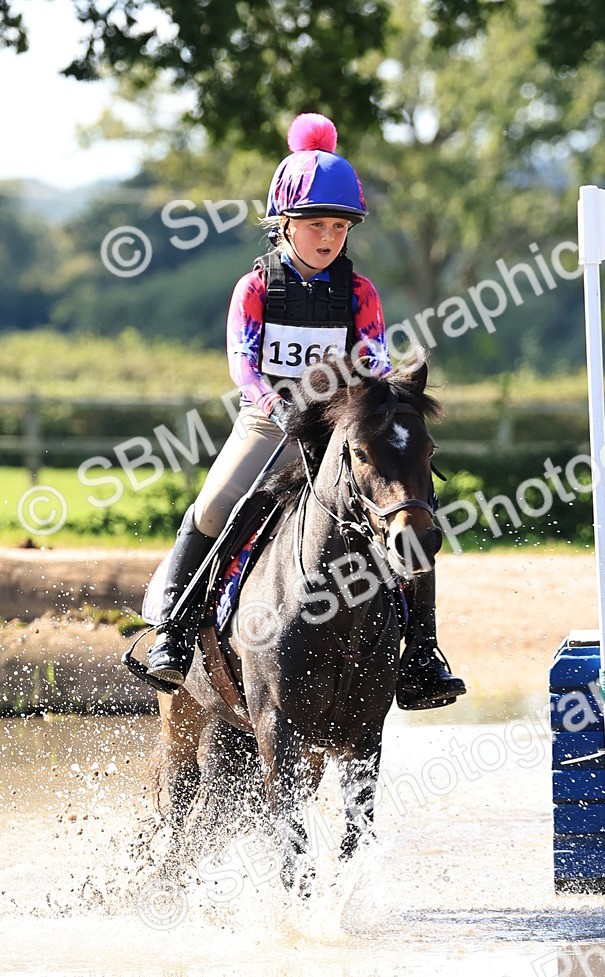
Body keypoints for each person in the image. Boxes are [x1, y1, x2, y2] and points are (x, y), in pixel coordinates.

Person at [145, 112, 465, 710]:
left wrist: (380, 398)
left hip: (338, 425)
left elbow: (370, 357)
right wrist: (272, 402)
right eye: (316, 224)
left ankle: (422, 653)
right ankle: (173, 631)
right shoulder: (257, 287)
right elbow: (242, 360)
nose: (328, 237)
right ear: (284, 225)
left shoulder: (360, 292)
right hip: (267, 421)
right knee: (216, 506)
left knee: (409, 515)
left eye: (340, 227)